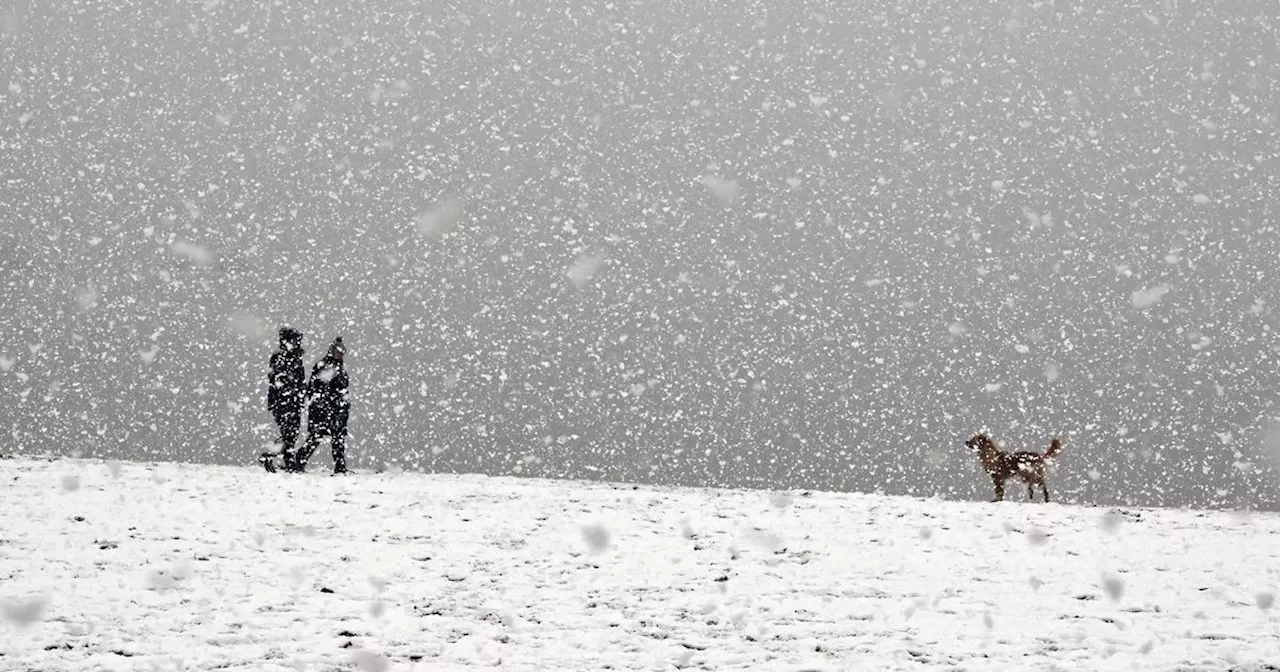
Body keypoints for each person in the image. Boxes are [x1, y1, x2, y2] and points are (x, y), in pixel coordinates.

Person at [289, 336, 351, 474]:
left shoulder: (335, 366)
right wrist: (329, 401)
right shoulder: (325, 366)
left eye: (342, 352)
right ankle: (300, 459)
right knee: (320, 437)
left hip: (333, 409)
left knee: (335, 438)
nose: (341, 354)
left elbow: (336, 388)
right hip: (324, 409)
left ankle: (339, 466)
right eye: (339, 351)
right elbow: (318, 388)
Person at [260, 327, 305, 473]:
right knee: (289, 433)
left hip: (290, 401)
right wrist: (293, 389)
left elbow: (296, 380)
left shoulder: (292, 357)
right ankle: (272, 456)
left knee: (291, 433)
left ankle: (286, 460)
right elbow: (277, 379)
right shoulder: (283, 358)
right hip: (285, 401)